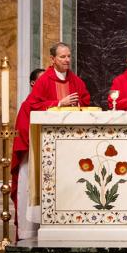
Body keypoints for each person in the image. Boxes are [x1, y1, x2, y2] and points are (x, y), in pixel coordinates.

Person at [10, 68, 44, 240]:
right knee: (28, 194)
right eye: (42, 81)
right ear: (33, 84)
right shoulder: (27, 105)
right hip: (30, 159)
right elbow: (24, 134)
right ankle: (27, 236)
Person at [29, 42, 91, 110]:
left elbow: (86, 101)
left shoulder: (77, 81)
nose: (67, 60)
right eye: (63, 57)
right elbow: (34, 104)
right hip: (51, 120)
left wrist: (75, 104)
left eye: (69, 56)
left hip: (72, 120)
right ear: (53, 59)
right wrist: (60, 103)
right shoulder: (43, 80)